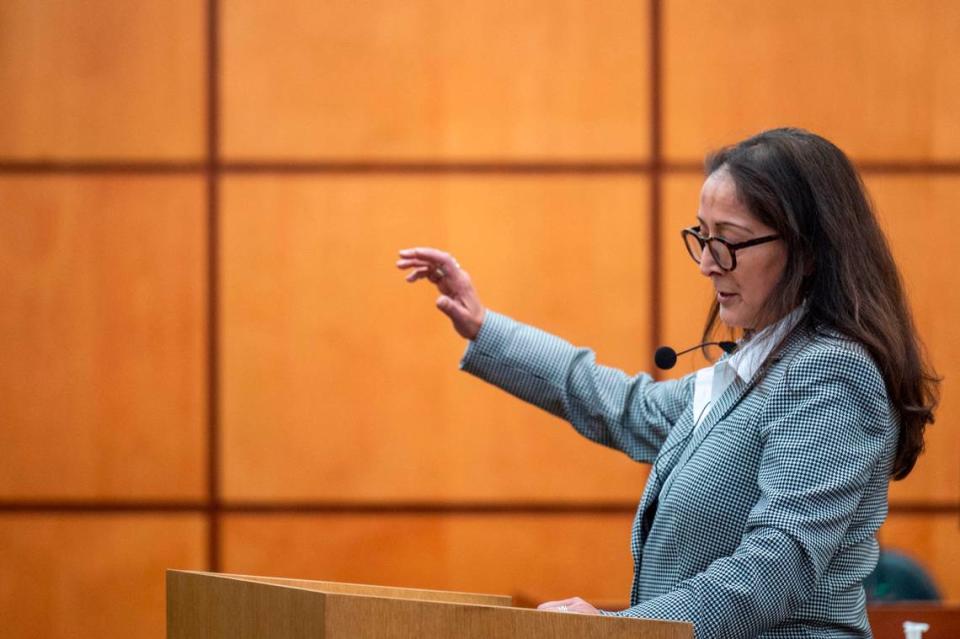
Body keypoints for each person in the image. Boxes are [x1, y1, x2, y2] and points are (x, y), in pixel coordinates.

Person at [396, 128, 939, 638]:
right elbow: (624, 406)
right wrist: (485, 327)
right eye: (702, 237)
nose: (706, 263)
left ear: (810, 250)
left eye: (729, 241)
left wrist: (623, 630)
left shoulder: (831, 372)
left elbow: (776, 566)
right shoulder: (759, 367)